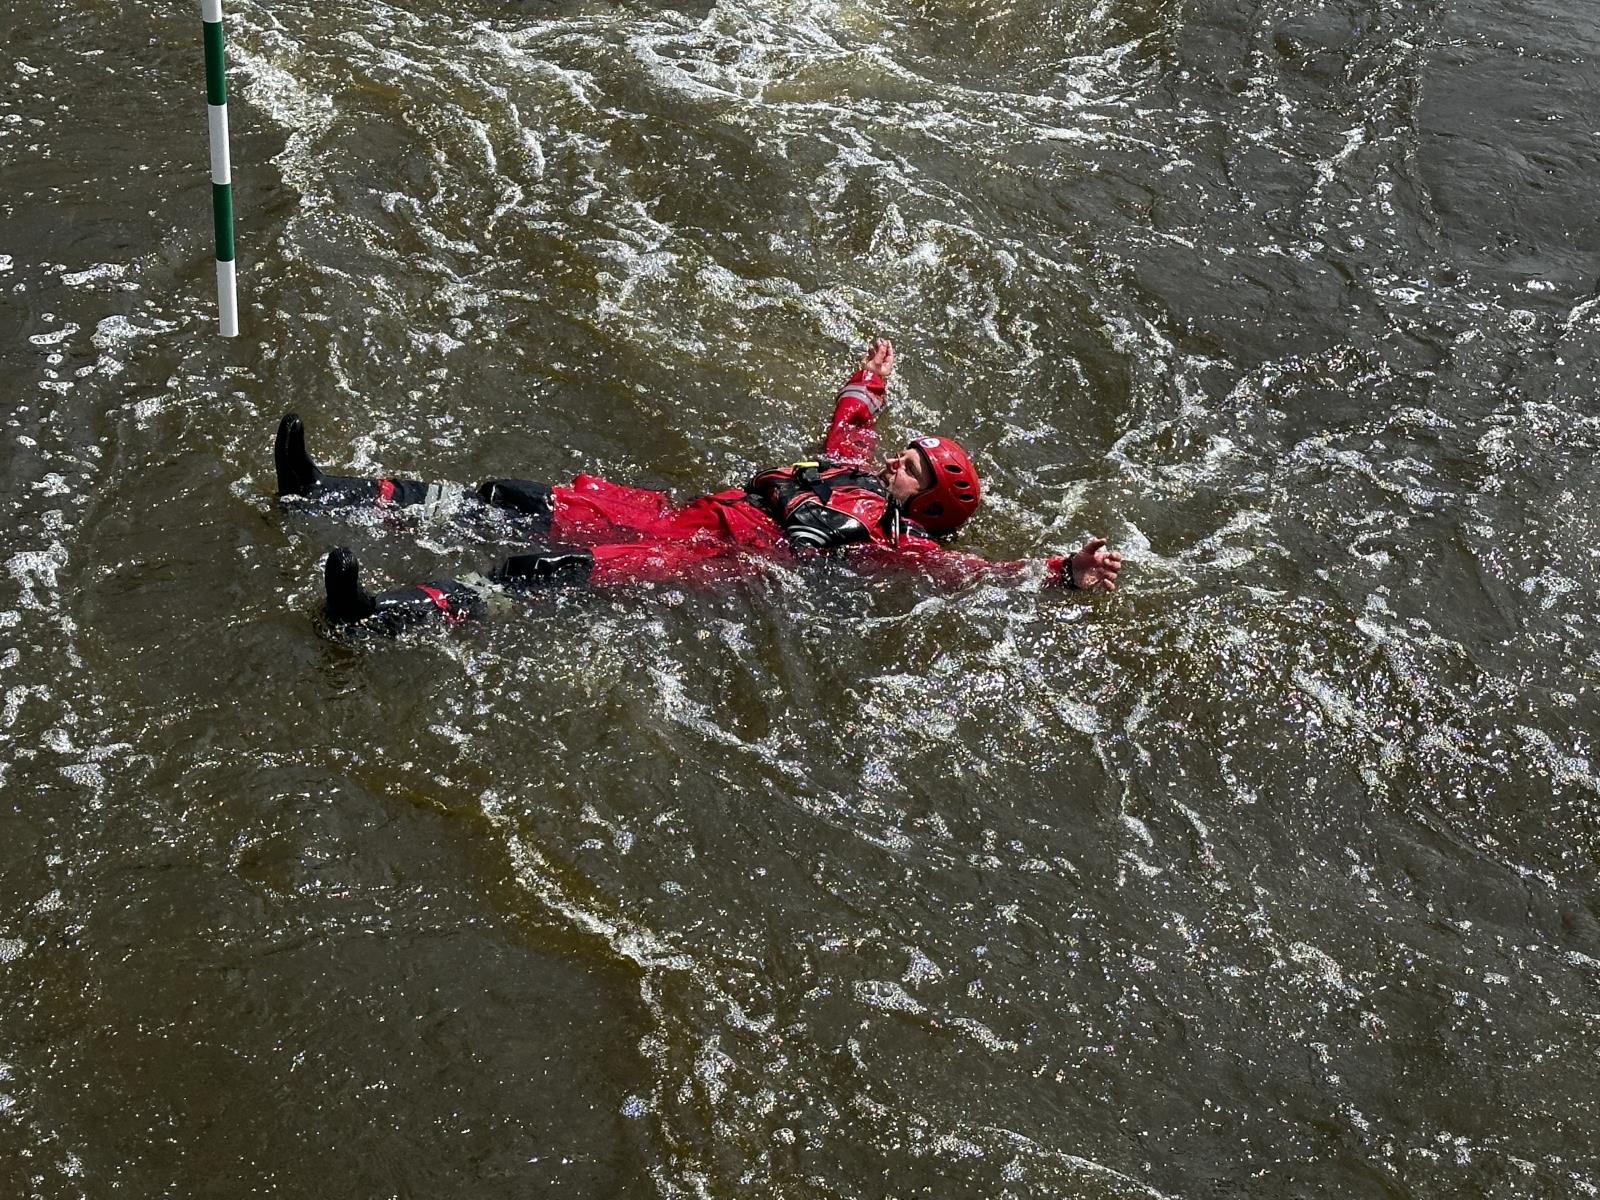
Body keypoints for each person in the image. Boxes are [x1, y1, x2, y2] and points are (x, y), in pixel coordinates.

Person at [277, 339, 1123, 632]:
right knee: (510, 497)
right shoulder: (859, 472)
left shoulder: (903, 544)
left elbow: (979, 576)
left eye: (916, 465)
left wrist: (1061, 572)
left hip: (707, 557)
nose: (897, 458)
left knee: (533, 574)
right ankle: (321, 492)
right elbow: (852, 429)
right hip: (682, 515)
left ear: (929, 501)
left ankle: (375, 618)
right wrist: (868, 383)